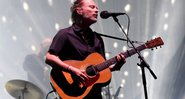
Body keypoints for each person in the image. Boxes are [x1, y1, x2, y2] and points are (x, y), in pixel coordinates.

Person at [45, 0, 126, 98]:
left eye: (97, 8)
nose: (96, 10)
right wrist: (72, 70)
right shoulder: (65, 34)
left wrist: (115, 67)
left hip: (94, 94)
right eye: (92, 7)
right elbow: (49, 57)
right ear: (79, 11)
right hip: (72, 90)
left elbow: (98, 68)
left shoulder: (97, 39)